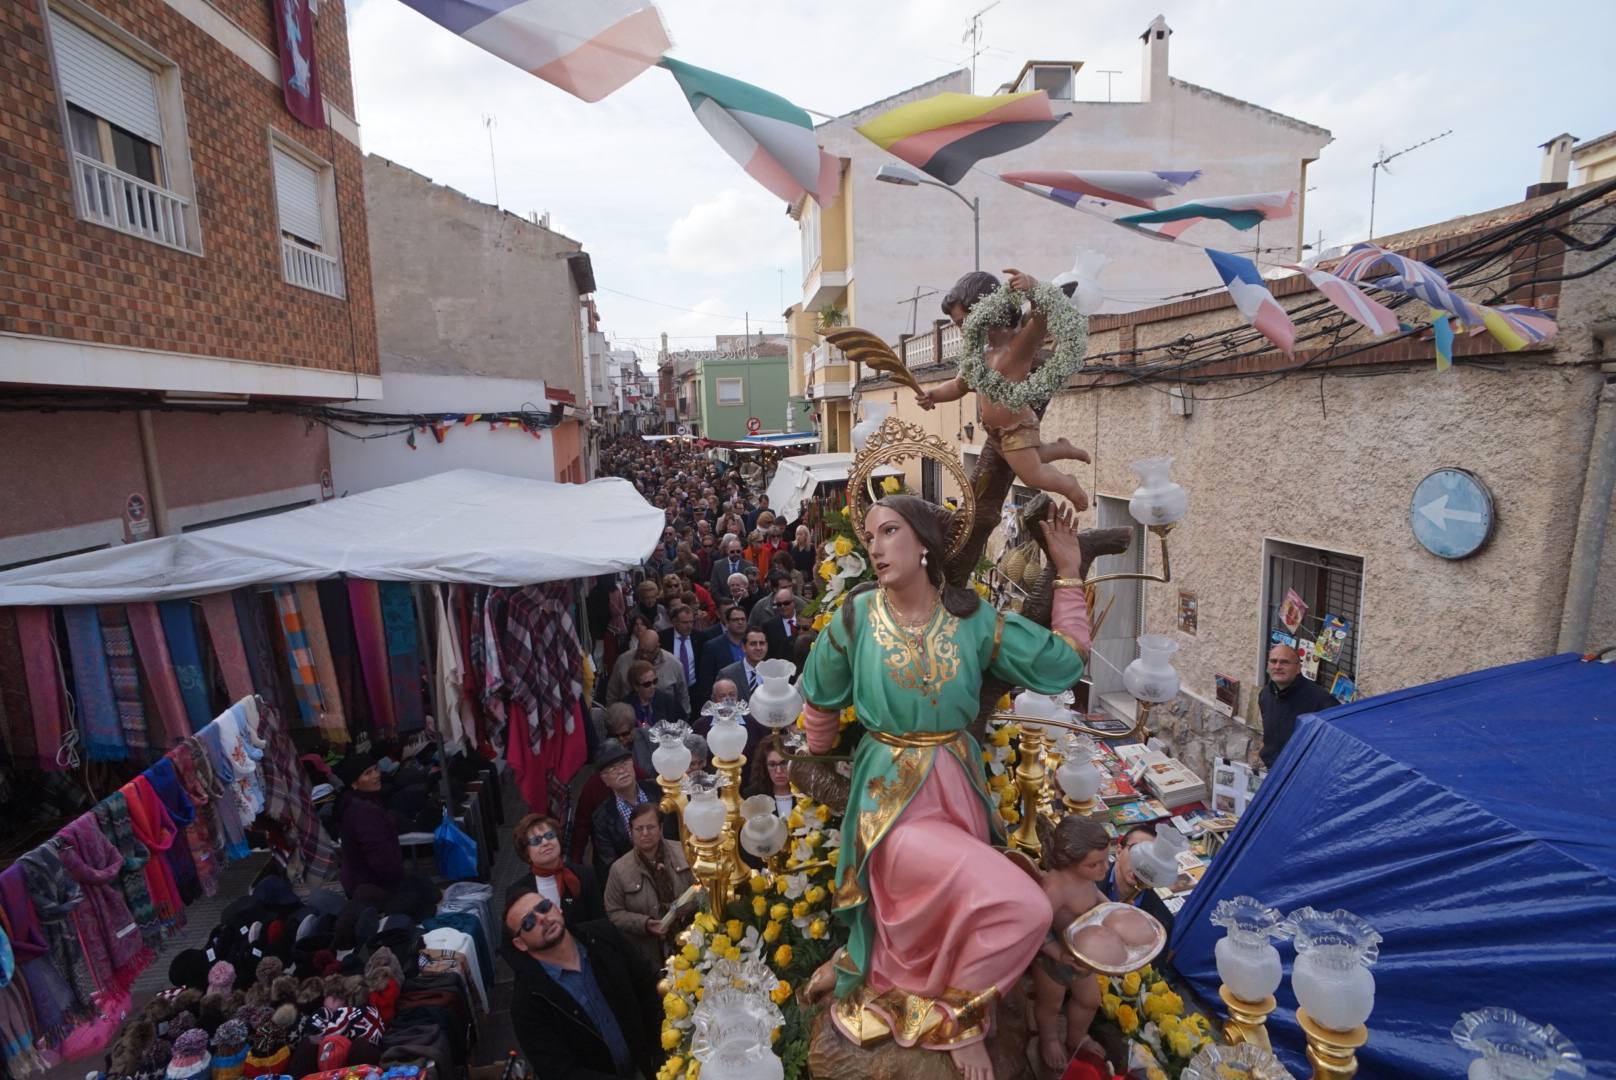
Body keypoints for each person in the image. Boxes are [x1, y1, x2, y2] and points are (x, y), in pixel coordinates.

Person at [798, 494, 1092, 1080]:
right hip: (890, 805)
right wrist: (818, 743)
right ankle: (954, 1018)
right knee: (1023, 905)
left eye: (888, 532)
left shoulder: (971, 619)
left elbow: (1062, 662)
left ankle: (937, 997)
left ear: (925, 543)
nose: (875, 547)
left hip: (957, 789)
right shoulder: (856, 616)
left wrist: (1068, 572)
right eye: (869, 537)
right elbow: (819, 694)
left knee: (955, 915)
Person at [914, 270, 1092, 512]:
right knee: (1030, 456)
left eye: (963, 322)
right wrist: (933, 395)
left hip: (1016, 424)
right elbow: (958, 386)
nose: (963, 331)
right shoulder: (979, 356)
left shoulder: (1018, 345)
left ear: (986, 310)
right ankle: (1062, 447)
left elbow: (1041, 320)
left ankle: (1070, 485)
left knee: (1032, 475)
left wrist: (1032, 287)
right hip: (994, 431)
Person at [503, 888, 662, 1080]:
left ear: (557, 908)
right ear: (520, 944)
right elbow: (561, 1072)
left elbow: (648, 987)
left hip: (652, 1065)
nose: (542, 919)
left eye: (544, 907)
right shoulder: (527, 1003)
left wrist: (661, 1052)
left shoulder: (604, 936)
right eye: (528, 922)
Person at [1032, 817, 1110, 1071]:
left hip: (1080, 956)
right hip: (1053, 961)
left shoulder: (1085, 877)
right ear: (1071, 861)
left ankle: (1076, 1036)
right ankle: (1049, 1039)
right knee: (1050, 1005)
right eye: (1095, 864)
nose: (1104, 869)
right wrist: (1056, 952)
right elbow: (1035, 927)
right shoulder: (1056, 888)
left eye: (1105, 861)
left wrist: (1108, 907)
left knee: (1089, 1001)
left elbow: (1094, 893)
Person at [603, 804, 697, 970]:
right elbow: (614, 913)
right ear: (631, 830)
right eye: (639, 829)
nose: (645, 833)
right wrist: (644, 924)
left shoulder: (684, 852)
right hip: (649, 955)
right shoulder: (619, 870)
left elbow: (703, 889)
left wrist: (685, 907)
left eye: (650, 827)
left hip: (693, 941)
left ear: (660, 828)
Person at [514, 812, 605, 929]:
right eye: (536, 841)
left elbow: (601, 922)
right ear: (526, 853)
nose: (545, 842)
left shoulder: (584, 875)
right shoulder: (517, 892)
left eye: (550, 835)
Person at [588, 742, 661, 881]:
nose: (621, 771)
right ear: (604, 779)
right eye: (613, 768)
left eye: (624, 763)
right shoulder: (602, 817)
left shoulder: (658, 790)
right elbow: (609, 862)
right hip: (636, 880)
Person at [1258, 643, 1338, 767]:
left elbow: (1334, 743)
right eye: (1273, 661)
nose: (1277, 666)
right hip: (1273, 770)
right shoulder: (1265, 695)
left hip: (1302, 773)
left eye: (1284, 662)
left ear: (1298, 668)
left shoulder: (1320, 699)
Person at [1103, 825, 1177, 936]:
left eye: (1153, 858)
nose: (1142, 863)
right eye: (1135, 851)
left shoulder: (1161, 922)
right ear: (1119, 852)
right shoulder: (1084, 881)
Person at [606, 628, 689, 719]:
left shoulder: (674, 664)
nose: (644, 655)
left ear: (658, 647)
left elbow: (683, 697)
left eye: (649, 652)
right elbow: (612, 695)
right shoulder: (623, 661)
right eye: (641, 650)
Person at [696, 604, 748, 705]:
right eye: (735, 620)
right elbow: (706, 681)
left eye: (743, 619)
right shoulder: (712, 647)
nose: (740, 622)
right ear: (727, 623)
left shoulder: (752, 644)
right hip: (725, 704)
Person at [660, 604, 711, 699]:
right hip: (671, 692)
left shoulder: (701, 638)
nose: (689, 626)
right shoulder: (663, 638)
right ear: (674, 622)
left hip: (695, 692)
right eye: (685, 623)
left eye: (691, 622)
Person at [717, 626, 770, 703]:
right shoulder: (727, 674)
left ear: (767, 646)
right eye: (753, 644)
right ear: (743, 647)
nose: (758, 648)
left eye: (762, 643)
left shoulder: (774, 673)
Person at [747, 742, 796, 818]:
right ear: (764, 767)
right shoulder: (753, 797)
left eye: (784, 763)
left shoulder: (807, 795)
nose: (779, 771)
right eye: (772, 765)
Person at [760, 587, 800, 660]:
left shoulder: (806, 620)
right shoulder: (768, 626)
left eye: (786, 603)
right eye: (779, 604)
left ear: (793, 602)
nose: (783, 606)